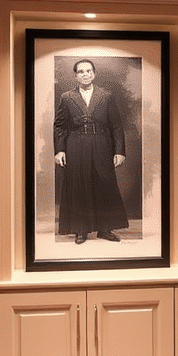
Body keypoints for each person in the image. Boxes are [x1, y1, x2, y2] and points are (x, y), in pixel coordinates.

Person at [53, 59, 128, 242]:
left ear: (94, 74)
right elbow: (60, 125)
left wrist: (119, 151)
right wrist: (60, 150)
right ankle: (81, 229)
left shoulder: (106, 95)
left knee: (104, 184)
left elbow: (116, 126)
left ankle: (105, 229)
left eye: (88, 71)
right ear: (75, 76)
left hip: (102, 143)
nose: (85, 74)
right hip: (76, 144)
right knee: (79, 184)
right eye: (81, 71)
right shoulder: (67, 97)